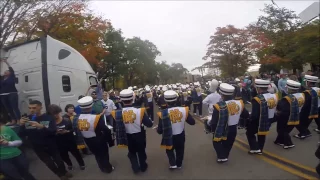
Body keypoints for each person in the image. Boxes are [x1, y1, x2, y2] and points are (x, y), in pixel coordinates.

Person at [19, 100, 71, 180]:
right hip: (37, 146)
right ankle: (60, 175)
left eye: (34, 108)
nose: (31, 110)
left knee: (59, 160)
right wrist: (21, 125)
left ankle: (64, 171)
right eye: (30, 108)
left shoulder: (48, 117)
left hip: (50, 144)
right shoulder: (27, 119)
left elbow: (53, 131)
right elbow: (22, 134)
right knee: (49, 163)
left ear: (40, 107)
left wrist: (42, 127)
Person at [111, 89, 153, 174]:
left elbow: (116, 127)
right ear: (132, 98)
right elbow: (149, 124)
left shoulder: (117, 113)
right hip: (139, 135)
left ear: (121, 100)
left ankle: (135, 168)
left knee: (132, 152)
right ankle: (143, 166)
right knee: (141, 151)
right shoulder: (140, 111)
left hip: (127, 136)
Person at [207, 83, 249, 162]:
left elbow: (214, 121)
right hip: (233, 128)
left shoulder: (218, 106)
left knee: (216, 141)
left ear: (221, 94)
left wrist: (212, 128)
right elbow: (246, 115)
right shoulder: (240, 103)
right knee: (229, 142)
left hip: (222, 128)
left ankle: (221, 156)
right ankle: (225, 155)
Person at [73, 96, 114, 173]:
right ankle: (108, 168)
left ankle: (102, 168)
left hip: (87, 140)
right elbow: (105, 130)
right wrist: (110, 141)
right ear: (91, 106)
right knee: (104, 154)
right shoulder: (96, 118)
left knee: (96, 155)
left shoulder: (76, 118)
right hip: (99, 139)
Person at [156, 90, 195, 169]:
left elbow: (160, 131)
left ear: (166, 101)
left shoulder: (162, 113)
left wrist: (157, 129)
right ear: (177, 99)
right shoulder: (184, 109)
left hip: (168, 136)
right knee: (180, 150)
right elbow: (192, 122)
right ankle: (179, 164)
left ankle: (172, 163)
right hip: (180, 134)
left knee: (169, 150)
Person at [48, 104, 85, 170]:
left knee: (76, 154)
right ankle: (69, 164)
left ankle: (81, 164)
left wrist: (67, 131)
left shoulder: (66, 120)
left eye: (56, 113)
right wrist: (55, 132)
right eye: (53, 114)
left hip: (70, 141)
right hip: (59, 143)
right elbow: (47, 132)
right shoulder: (50, 123)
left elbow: (73, 129)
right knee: (64, 156)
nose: (55, 115)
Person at [246, 79, 278, 155]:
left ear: (258, 88)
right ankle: (260, 148)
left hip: (259, 120)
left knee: (249, 133)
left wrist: (249, 119)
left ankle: (254, 148)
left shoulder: (257, 99)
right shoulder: (274, 96)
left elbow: (255, 115)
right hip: (269, 119)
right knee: (262, 134)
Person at [274, 80, 303, 149]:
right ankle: (279, 141)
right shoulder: (302, 95)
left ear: (290, 89)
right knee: (285, 130)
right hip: (297, 115)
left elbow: (283, 108)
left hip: (287, 117)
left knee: (282, 130)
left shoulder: (288, 98)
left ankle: (288, 143)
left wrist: (278, 111)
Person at [294, 75, 319, 139]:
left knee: (301, 122)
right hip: (317, 108)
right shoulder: (318, 89)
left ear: (309, 83)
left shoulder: (308, 92)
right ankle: (305, 132)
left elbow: (305, 103)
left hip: (309, 110)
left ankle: (304, 133)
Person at [0, 58, 21, 125]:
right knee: (8, 108)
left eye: (7, 71)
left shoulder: (11, 76)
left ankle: (18, 120)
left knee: (14, 107)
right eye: (5, 71)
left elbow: (11, 69)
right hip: (3, 94)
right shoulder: (2, 78)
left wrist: (6, 62)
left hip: (12, 93)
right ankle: (13, 120)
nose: (6, 71)